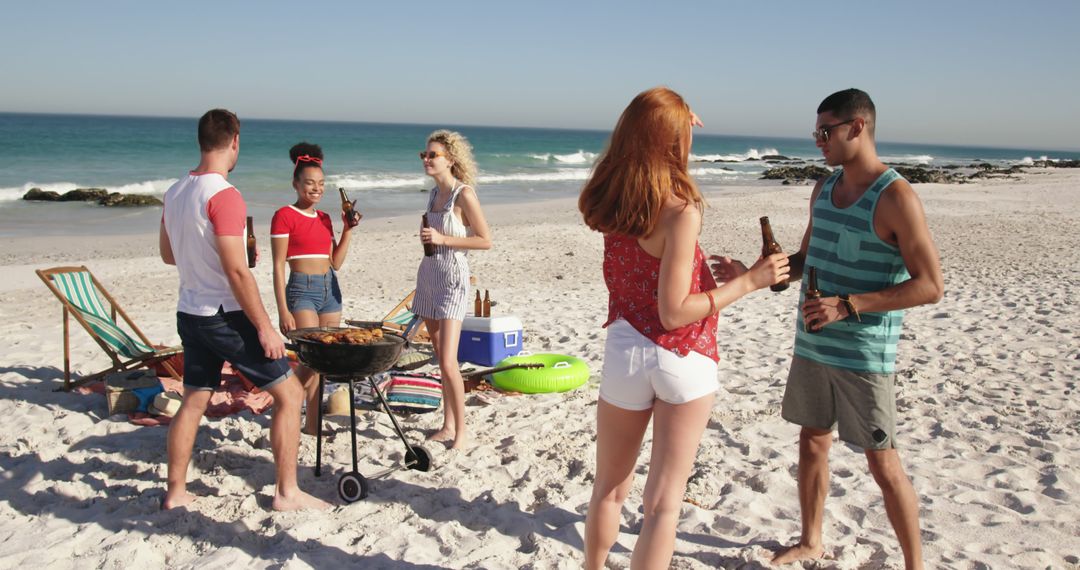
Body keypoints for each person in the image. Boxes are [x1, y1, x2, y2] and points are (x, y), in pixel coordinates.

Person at [714, 89, 943, 569]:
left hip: (863, 355)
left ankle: (915, 565)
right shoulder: (824, 189)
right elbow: (804, 262)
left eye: (825, 131)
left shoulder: (896, 197)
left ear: (857, 127)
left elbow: (930, 286)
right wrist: (753, 275)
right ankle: (812, 540)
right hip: (813, 344)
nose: (818, 141)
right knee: (812, 441)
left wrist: (849, 305)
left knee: (883, 463)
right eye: (815, 133)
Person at [579, 87, 789, 569]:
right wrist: (752, 281)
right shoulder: (680, 207)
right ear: (674, 142)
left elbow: (649, 275)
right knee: (662, 506)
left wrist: (665, 119)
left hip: (626, 348)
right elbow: (674, 312)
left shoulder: (608, 197)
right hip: (682, 356)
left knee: (608, 491)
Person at [159, 109, 329, 512]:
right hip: (224, 313)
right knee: (289, 395)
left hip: (190, 311)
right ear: (234, 141)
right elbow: (237, 271)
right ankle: (287, 492)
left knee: (195, 399)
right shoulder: (225, 194)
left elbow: (169, 255)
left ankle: (175, 492)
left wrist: (211, 256)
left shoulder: (175, 191)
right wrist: (265, 326)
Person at [271, 142, 358, 435]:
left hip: (329, 289)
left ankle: (311, 424)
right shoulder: (284, 215)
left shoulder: (324, 218)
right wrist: (283, 309)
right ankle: (287, 404)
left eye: (321, 184)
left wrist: (347, 229)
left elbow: (336, 262)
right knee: (311, 357)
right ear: (296, 184)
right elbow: (277, 266)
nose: (316, 189)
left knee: (324, 361)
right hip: (302, 290)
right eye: (309, 183)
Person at [414, 129, 492, 450]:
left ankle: (462, 432)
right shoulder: (433, 195)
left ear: (451, 159)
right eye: (425, 155)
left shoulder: (464, 195)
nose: (427, 159)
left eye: (433, 155)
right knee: (438, 355)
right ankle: (447, 425)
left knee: (448, 361)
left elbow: (485, 240)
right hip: (429, 275)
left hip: (453, 279)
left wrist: (444, 239)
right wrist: (428, 238)